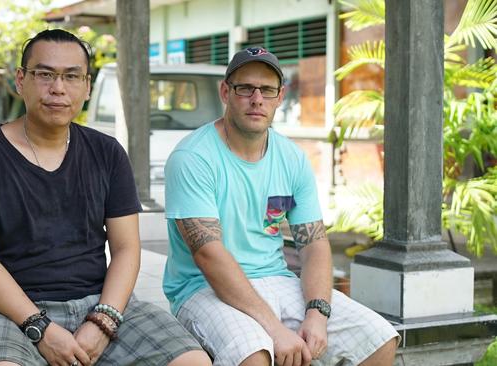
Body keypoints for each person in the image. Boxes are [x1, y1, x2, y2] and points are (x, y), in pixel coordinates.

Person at [0, 29, 211, 366]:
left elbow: (127, 248)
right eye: (45, 74)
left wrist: (104, 319)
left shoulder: (107, 152)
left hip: (96, 303)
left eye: (72, 76)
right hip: (8, 311)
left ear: (87, 86)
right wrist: (39, 326)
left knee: (193, 361)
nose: (58, 88)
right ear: (20, 80)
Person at [163, 47, 400, 366]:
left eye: (267, 89)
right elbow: (209, 254)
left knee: (378, 340)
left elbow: (314, 243)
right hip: (202, 287)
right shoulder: (192, 158)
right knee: (256, 355)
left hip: (276, 279)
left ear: (280, 96)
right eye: (245, 88)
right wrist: (275, 329)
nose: (256, 98)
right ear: (225, 92)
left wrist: (317, 312)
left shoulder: (292, 158)